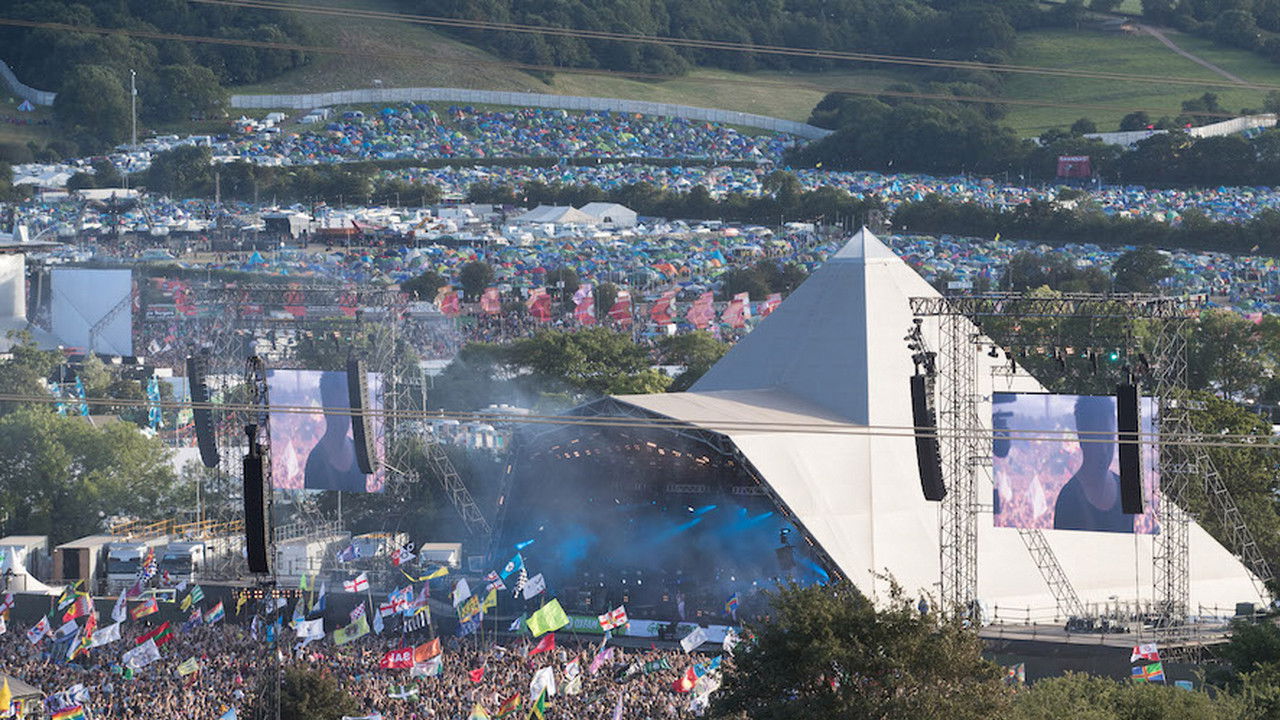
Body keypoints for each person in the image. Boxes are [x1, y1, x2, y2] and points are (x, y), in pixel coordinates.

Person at [1053, 395, 1133, 533]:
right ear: (1082, 438)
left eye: (1108, 436)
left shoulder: (1125, 488)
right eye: (1097, 438)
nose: (1103, 448)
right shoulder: (1068, 499)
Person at [303, 371, 368, 493]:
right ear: (326, 407)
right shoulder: (315, 462)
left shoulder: (359, 450)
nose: (347, 413)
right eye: (341, 406)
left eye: (349, 405)